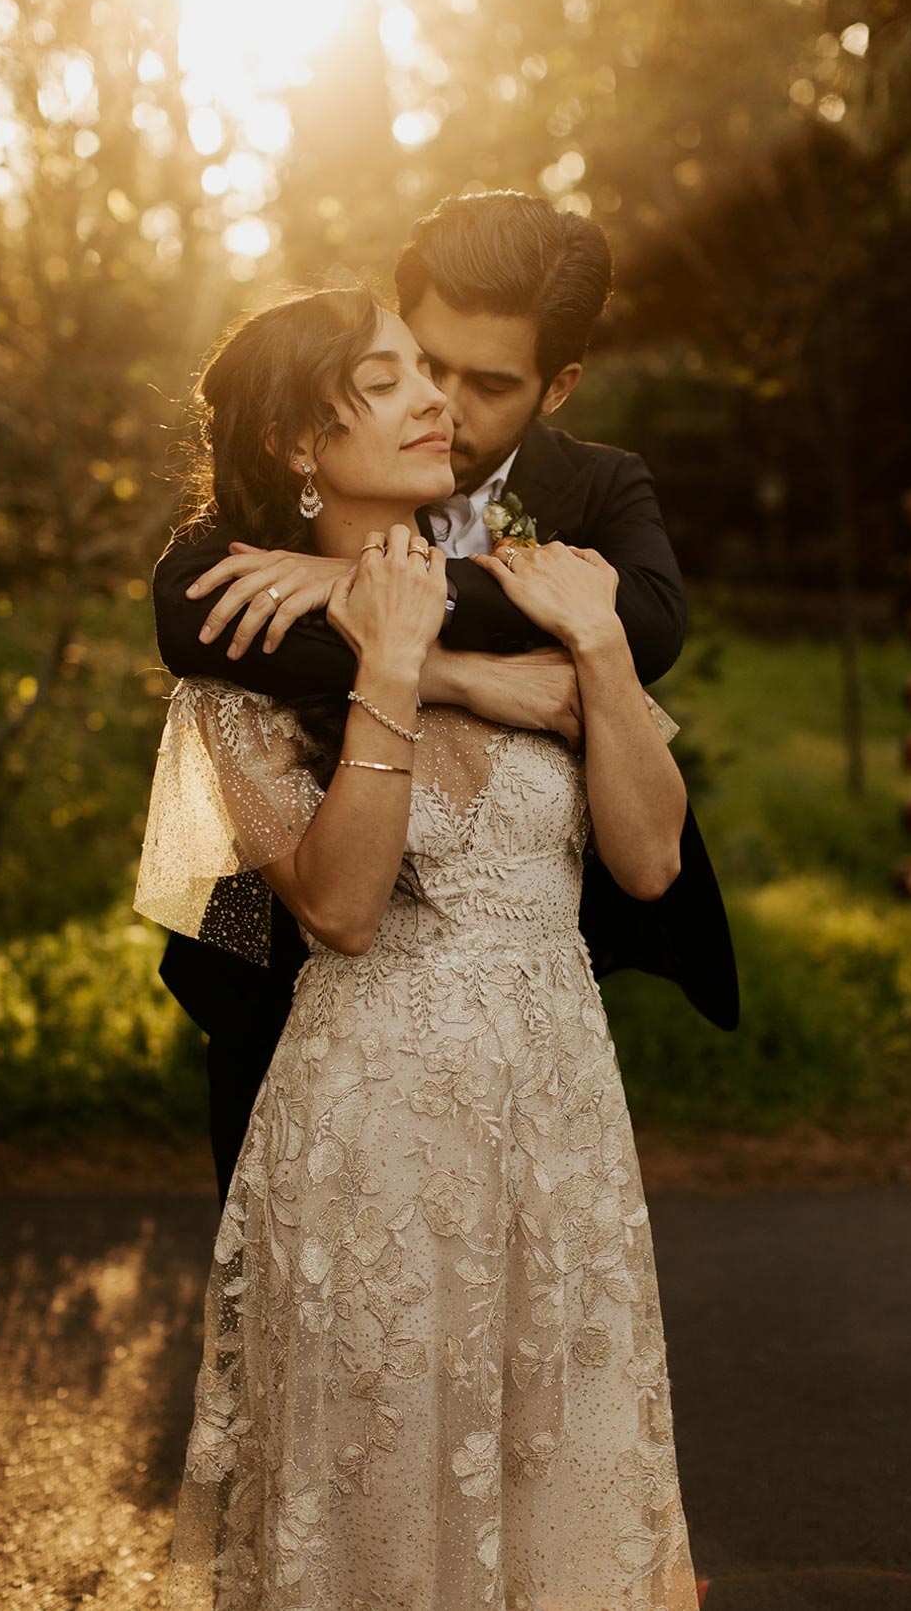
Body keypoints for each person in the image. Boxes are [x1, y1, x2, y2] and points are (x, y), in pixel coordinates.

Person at [135, 284, 701, 1610]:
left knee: (563, 1473)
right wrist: (389, 667)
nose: (439, 401)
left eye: (431, 375)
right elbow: (335, 907)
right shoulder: (237, 675)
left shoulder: (527, 591)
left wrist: (598, 649)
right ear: (295, 440)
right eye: (388, 382)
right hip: (369, 1131)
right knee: (383, 1494)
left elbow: (651, 857)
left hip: (558, 1117)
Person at [153, 191, 738, 1204]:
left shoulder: (593, 495)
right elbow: (191, 617)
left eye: (489, 381)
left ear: (557, 387)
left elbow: (649, 624)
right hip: (298, 1020)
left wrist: (360, 588)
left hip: (537, 1034)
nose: (445, 403)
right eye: (423, 362)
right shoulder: (284, 494)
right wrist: (463, 668)